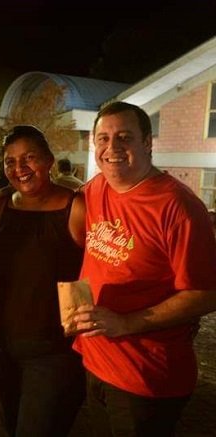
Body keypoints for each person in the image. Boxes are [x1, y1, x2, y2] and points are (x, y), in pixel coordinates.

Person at [73, 101, 216, 436]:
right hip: (96, 360)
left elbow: (206, 294)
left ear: (148, 142)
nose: (112, 148)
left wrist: (126, 323)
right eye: (103, 139)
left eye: (124, 137)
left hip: (145, 375)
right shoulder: (96, 189)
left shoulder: (178, 207)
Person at [0, 125, 86, 436]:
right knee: (13, 425)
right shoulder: (0, 206)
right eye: (10, 161)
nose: (20, 168)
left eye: (29, 158)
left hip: (54, 351)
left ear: (49, 160)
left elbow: (98, 271)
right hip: (5, 345)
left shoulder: (76, 208)